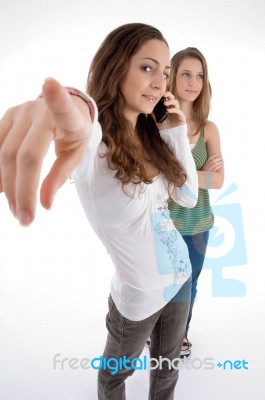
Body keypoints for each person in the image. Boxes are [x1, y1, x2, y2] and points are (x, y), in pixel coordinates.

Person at [0, 24, 198, 399]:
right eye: (146, 67)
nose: (160, 82)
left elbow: (187, 196)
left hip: (181, 280)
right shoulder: (95, 148)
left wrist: (176, 129)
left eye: (165, 72)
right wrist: (71, 104)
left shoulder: (152, 135)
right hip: (137, 302)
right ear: (116, 67)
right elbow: (79, 121)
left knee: (166, 371)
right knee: (113, 379)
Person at [167, 47, 224, 357]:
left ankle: (179, 336)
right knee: (160, 284)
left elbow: (218, 181)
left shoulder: (208, 129)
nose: (193, 82)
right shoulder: (154, 124)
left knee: (188, 287)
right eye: (186, 73)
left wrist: (178, 173)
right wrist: (199, 172)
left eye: (199, 75)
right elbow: (154, 179)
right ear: (172, 76)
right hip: (160, 222)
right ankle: (155, 334)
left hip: (198, 223)